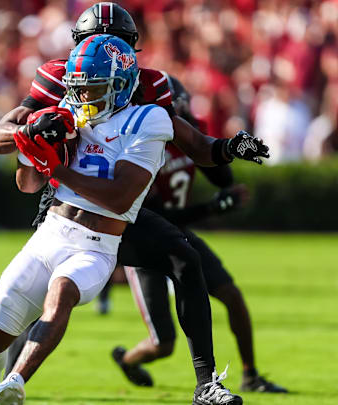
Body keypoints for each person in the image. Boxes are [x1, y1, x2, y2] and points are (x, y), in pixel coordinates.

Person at [0, 3, 267, 405]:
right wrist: (32, 130)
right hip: (65, 204)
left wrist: (230, 147)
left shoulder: (148, 86)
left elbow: (195, 145)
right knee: (29, 301)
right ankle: (5, 383)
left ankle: (206, 384)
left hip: (119, 206)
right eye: (92, 43)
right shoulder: (58, 77)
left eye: (113, 44)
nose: (101, 50)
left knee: (185, 258)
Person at [113, 75, 287, 394]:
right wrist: (212, 210)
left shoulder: (185, 134)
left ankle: (250, 374)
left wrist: (201, 136)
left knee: (232, 296)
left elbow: (223, 178)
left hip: (178, 234)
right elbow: (155, 214)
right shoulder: (143, 142)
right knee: (163, 344)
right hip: (144, 237)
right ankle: (127, 360)